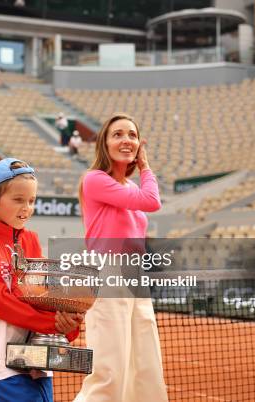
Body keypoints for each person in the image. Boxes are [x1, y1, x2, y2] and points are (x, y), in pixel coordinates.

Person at [0, 158, 83, 402]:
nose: (26, 208)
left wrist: (67, 319)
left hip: (37, 353)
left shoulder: (31, 239)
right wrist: (50, 323)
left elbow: (39, 295)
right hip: (0, 352)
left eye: (31, 201)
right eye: (18, 200)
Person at [73, 113, 168, 402]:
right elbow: (153, 202)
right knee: (109, 370)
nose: (126, 139)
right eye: (118, 134)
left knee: (144, 362)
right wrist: (145, 166)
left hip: (135, 277)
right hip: (108, 274)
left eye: (132, 134)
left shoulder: (131, 188)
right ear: (104, 143)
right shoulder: (94, 180)